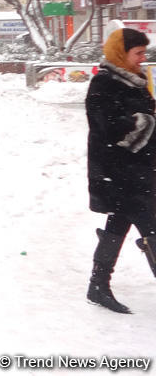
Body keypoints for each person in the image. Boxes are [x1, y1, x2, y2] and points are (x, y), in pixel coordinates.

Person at [84, 28, 156, 313]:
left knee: (118, 224)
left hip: (137, 171)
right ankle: (98, 285)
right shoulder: (104, 83)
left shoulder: (136, 81)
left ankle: (98, 285)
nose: (142, 58)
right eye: (137, 53)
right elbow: (107, 126)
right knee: (152, 227)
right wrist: (147, 124)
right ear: (121, 53)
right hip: (118, 172)